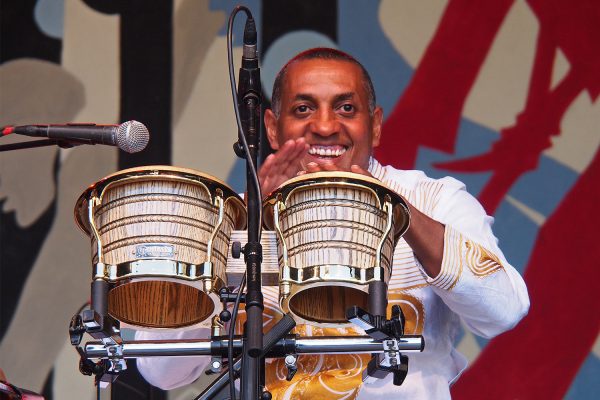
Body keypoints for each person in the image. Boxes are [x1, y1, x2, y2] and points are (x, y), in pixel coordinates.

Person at [136, 48, 529, 399]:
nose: (325, 127)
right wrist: (247, 229)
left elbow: (503, 311)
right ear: (272, 128)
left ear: (374, 124)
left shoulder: (433, 200)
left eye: (346, 108)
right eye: (303, 109)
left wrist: (396, 210)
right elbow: (159, 371)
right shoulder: (234, 221)